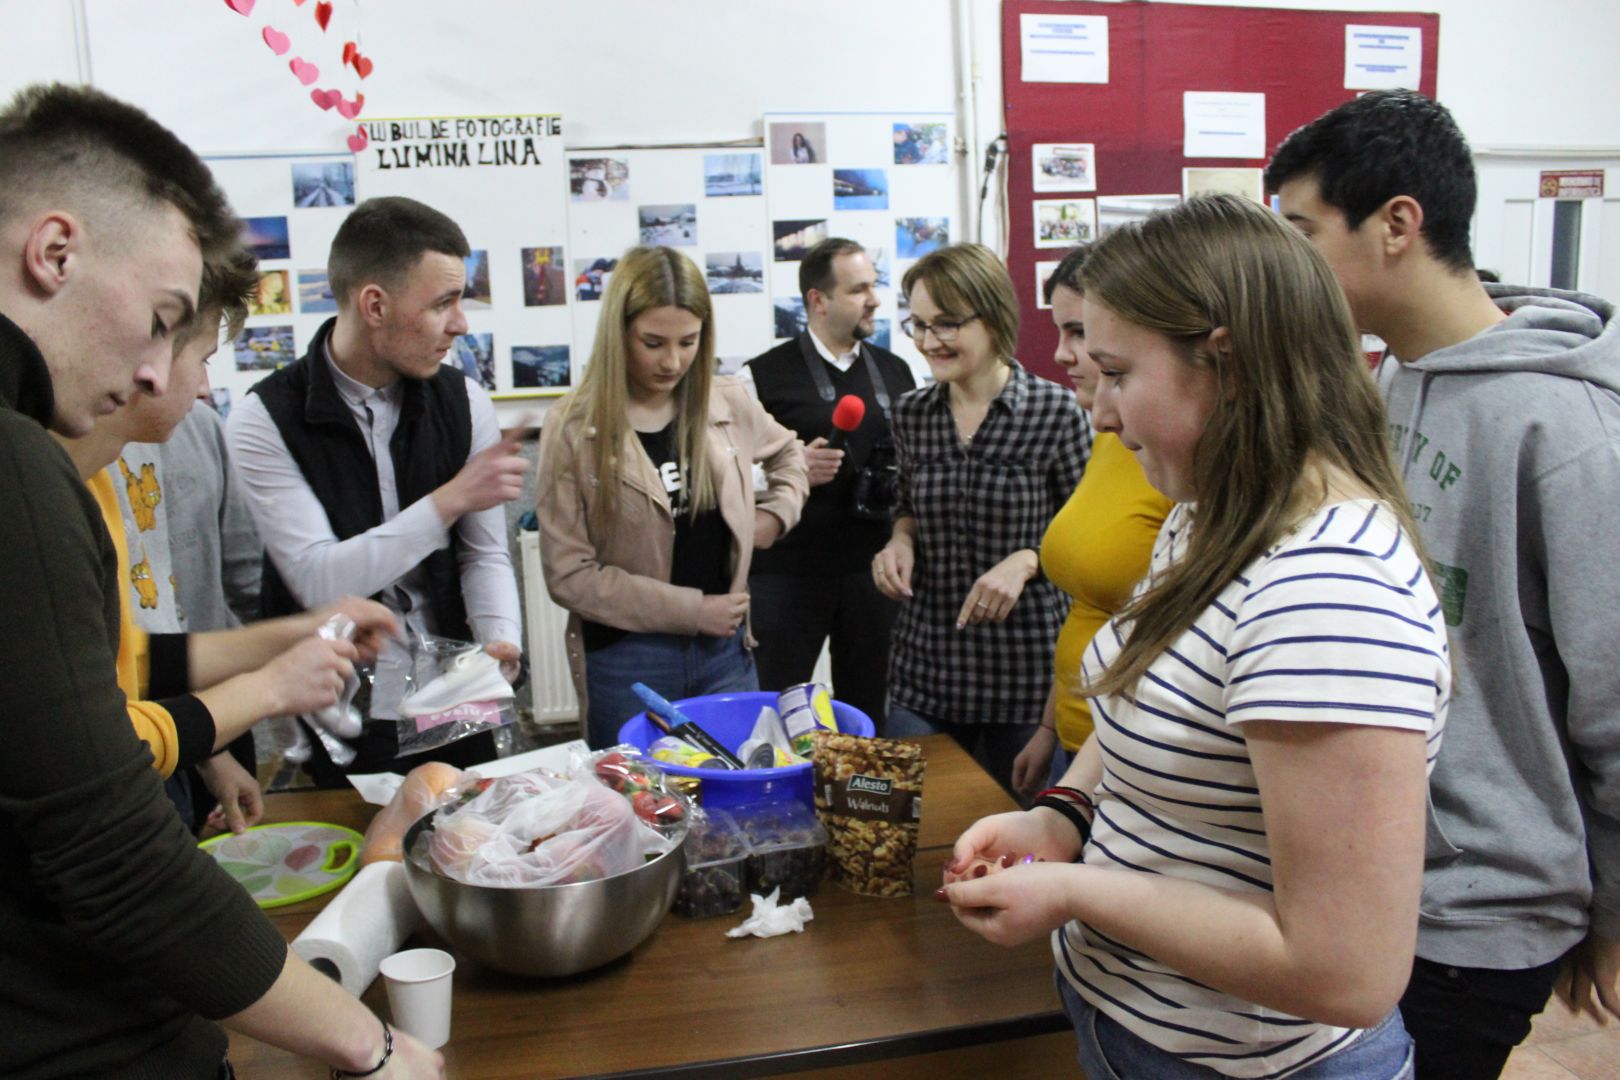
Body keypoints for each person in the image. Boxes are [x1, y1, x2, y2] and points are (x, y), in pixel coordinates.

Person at [940, 195, 1451, 1079]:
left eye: (1117, 374)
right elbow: (1147, 692)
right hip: (1143, 1025)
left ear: (1227, 364)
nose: (1099, 414)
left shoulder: (1326, 595)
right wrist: (1064, 815)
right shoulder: (1211, 508)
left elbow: (1345, 971)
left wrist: (1071, 889)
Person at [0, 81, 441, 1079]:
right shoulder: (23, 467)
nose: (163, 376)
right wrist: (367, 1044)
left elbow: (91, 680)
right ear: (54, 252)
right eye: (163, 322)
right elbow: (109, 856)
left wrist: (285, 645)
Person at [1268, 89, 1620, 1077]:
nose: (1286, 266)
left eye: (1302, 233)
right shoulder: (1395, 378)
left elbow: (1614, 701)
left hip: (1475, 914)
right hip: (1377, 875)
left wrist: (1611, 911)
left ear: (1397, 224)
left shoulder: (1566, 431)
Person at [227, 196, 528, 787]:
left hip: (457, 691)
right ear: (374, 305)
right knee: (368, 864)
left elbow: (483, 553)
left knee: (473, 846)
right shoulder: (265, 419)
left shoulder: (463, 402)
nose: (461, 322)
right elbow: (318, 581)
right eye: (443, 302)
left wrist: (501, 644)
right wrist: (450, 499)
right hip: (340, 706)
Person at [536, 246, 807, 748]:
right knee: (643, 808)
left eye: (689, 342)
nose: (673, 361)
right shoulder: (573, 426)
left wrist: (775, 516)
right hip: (627, 659)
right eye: (653, 342)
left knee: (738, 789)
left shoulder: (726, 400)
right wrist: (693, 610)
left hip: (727, 651)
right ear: (619, 334)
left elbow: (790, 454)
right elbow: (569, 575)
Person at [873, 242, 1088, 791]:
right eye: (917, 324)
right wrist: (900, 541)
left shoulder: (1055, 412)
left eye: (946, 324)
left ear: (993, 319)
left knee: (1025, 850)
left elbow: (1087, 532)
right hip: (927, 670)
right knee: (919, 841)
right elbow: (908, 507)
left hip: (1026, 679)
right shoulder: (912, 415)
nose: (927, 342)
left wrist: (1025, 560)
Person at [1009, 246, 1171, 800]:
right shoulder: (1108, 436)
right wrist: (1050, 728)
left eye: (1078, 332)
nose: (1060, 354)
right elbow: (1090, 606)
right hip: (1080, 743)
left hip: (1134, 752)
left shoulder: (1174, 459)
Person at [743, 238, 916, 727]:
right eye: (859, 289)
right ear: (818, 300)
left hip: (873, 573)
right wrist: (786, 468)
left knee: (871, 714)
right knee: (774, 711)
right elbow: (724, 468)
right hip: (786, 574)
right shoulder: (760, 376)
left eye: (874, 286)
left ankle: (866, 801)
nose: (875, 299)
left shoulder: (897, 371)